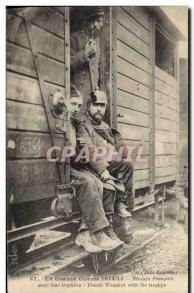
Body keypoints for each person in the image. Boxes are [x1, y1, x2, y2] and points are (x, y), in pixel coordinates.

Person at [67, 85, 123, 252]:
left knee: (101, 184)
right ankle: (96, 232)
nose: (76, 109)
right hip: (65, 167)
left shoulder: (75, 122)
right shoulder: (69, 123)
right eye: (73, 104)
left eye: (78, 105)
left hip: (77, 164)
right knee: (89, 182)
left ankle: (99, 230)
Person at [74, 90, 134, 235]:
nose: (100, 109)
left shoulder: (105, 126)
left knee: (127, 164)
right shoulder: (83, 123)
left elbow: (115, 143)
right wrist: (102, 169)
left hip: (104, 162)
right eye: (96, 105)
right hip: (89, 166)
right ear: (89, 105)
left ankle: (121, 202)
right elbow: (87, 148)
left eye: (102, 105)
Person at [70, 7, 105, 109]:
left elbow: (98, 69)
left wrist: (97, 87)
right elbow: (66, 65)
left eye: (100, 22)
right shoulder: (74, 38)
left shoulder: (99, 42)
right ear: (89, 21)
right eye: (94, 21)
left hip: (92, 99)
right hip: (76, 98)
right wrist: (84, 54)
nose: (96, 25)